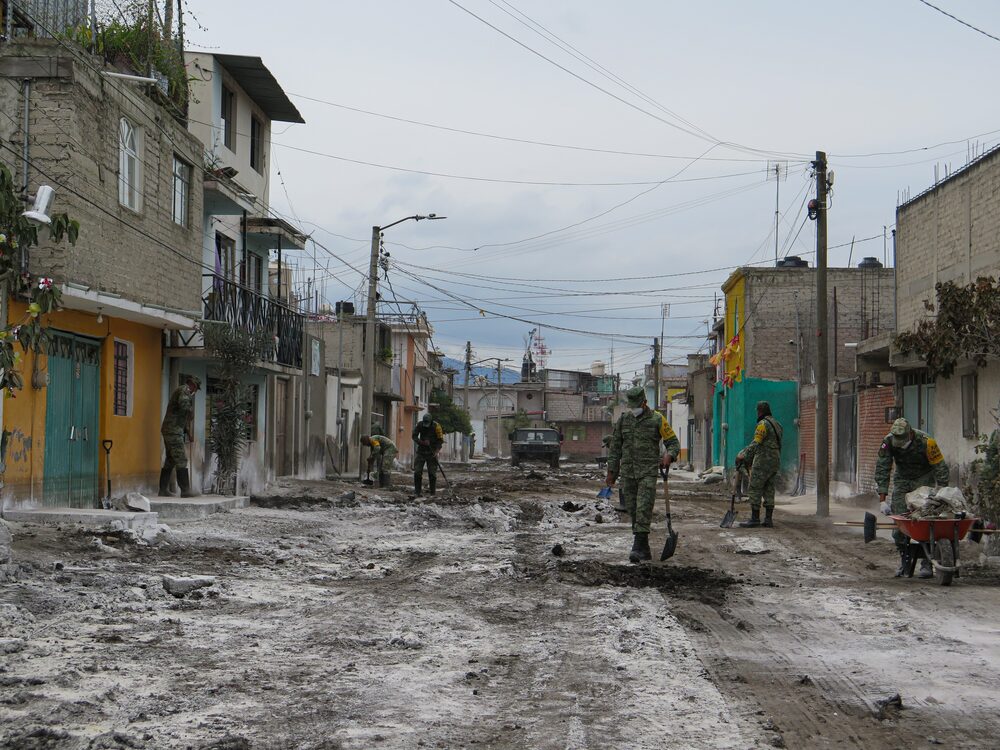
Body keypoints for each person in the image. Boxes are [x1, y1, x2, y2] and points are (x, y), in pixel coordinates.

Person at [607, 386, 680, 563]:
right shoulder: (623, 421)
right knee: (632, 508)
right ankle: (644, 547)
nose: (634, 409)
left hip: (647, 472)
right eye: (631, 406)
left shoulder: (657, 419)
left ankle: (637, 547)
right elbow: (615, 448)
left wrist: (669, 455)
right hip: (628, 472)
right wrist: (612, 472)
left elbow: (673, 442)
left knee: (643, 507)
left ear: (644, 402)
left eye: (636, 405)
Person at [875, 417, 951, 578]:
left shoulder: (926, 442)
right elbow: (883, 468)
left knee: (927, 520)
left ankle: (927, 563)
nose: (899, 443)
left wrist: (941, 492)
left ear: (910, 434)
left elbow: (940, 466)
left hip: (924, 478)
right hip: (902, 479)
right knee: (900, 520)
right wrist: (882, 500)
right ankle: (905, 561)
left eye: (902, 440)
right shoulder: (888, 442)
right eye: (897, 440)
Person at [736, 401, 783, 528]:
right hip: (775, 460)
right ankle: (768, 519)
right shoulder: (777, 424)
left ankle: (755, 518)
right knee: (769, 488)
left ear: (759, 411)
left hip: (763, 460)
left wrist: (743, 455)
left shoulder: (763, 424)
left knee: (755, 487)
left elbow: (756, 443)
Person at [159, 375, 201, 498]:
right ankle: (185, 490)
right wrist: (190, 411)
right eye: (196, 389)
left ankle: (162, 490)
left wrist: (189, 434)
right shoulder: (185, 390)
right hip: (173, 431)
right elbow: (184, 406)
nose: (195, 391)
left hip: (171, 429)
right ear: (193, 385)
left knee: (171, 460)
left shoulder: (183, 391)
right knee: (181, 459)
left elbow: (181, 418)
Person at [412, 413, 444, 496]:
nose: (426, 425)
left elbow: (440, 440)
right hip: (421, 452)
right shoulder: (419, 425)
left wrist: (436, 451)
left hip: (432, 452)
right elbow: (414, 436)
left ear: (431, 421)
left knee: (432, 473)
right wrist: (421, 442)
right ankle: (417, 492)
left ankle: (432, 493)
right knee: (417, 472)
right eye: (425, 423)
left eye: (427, 423)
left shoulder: (437, 426)